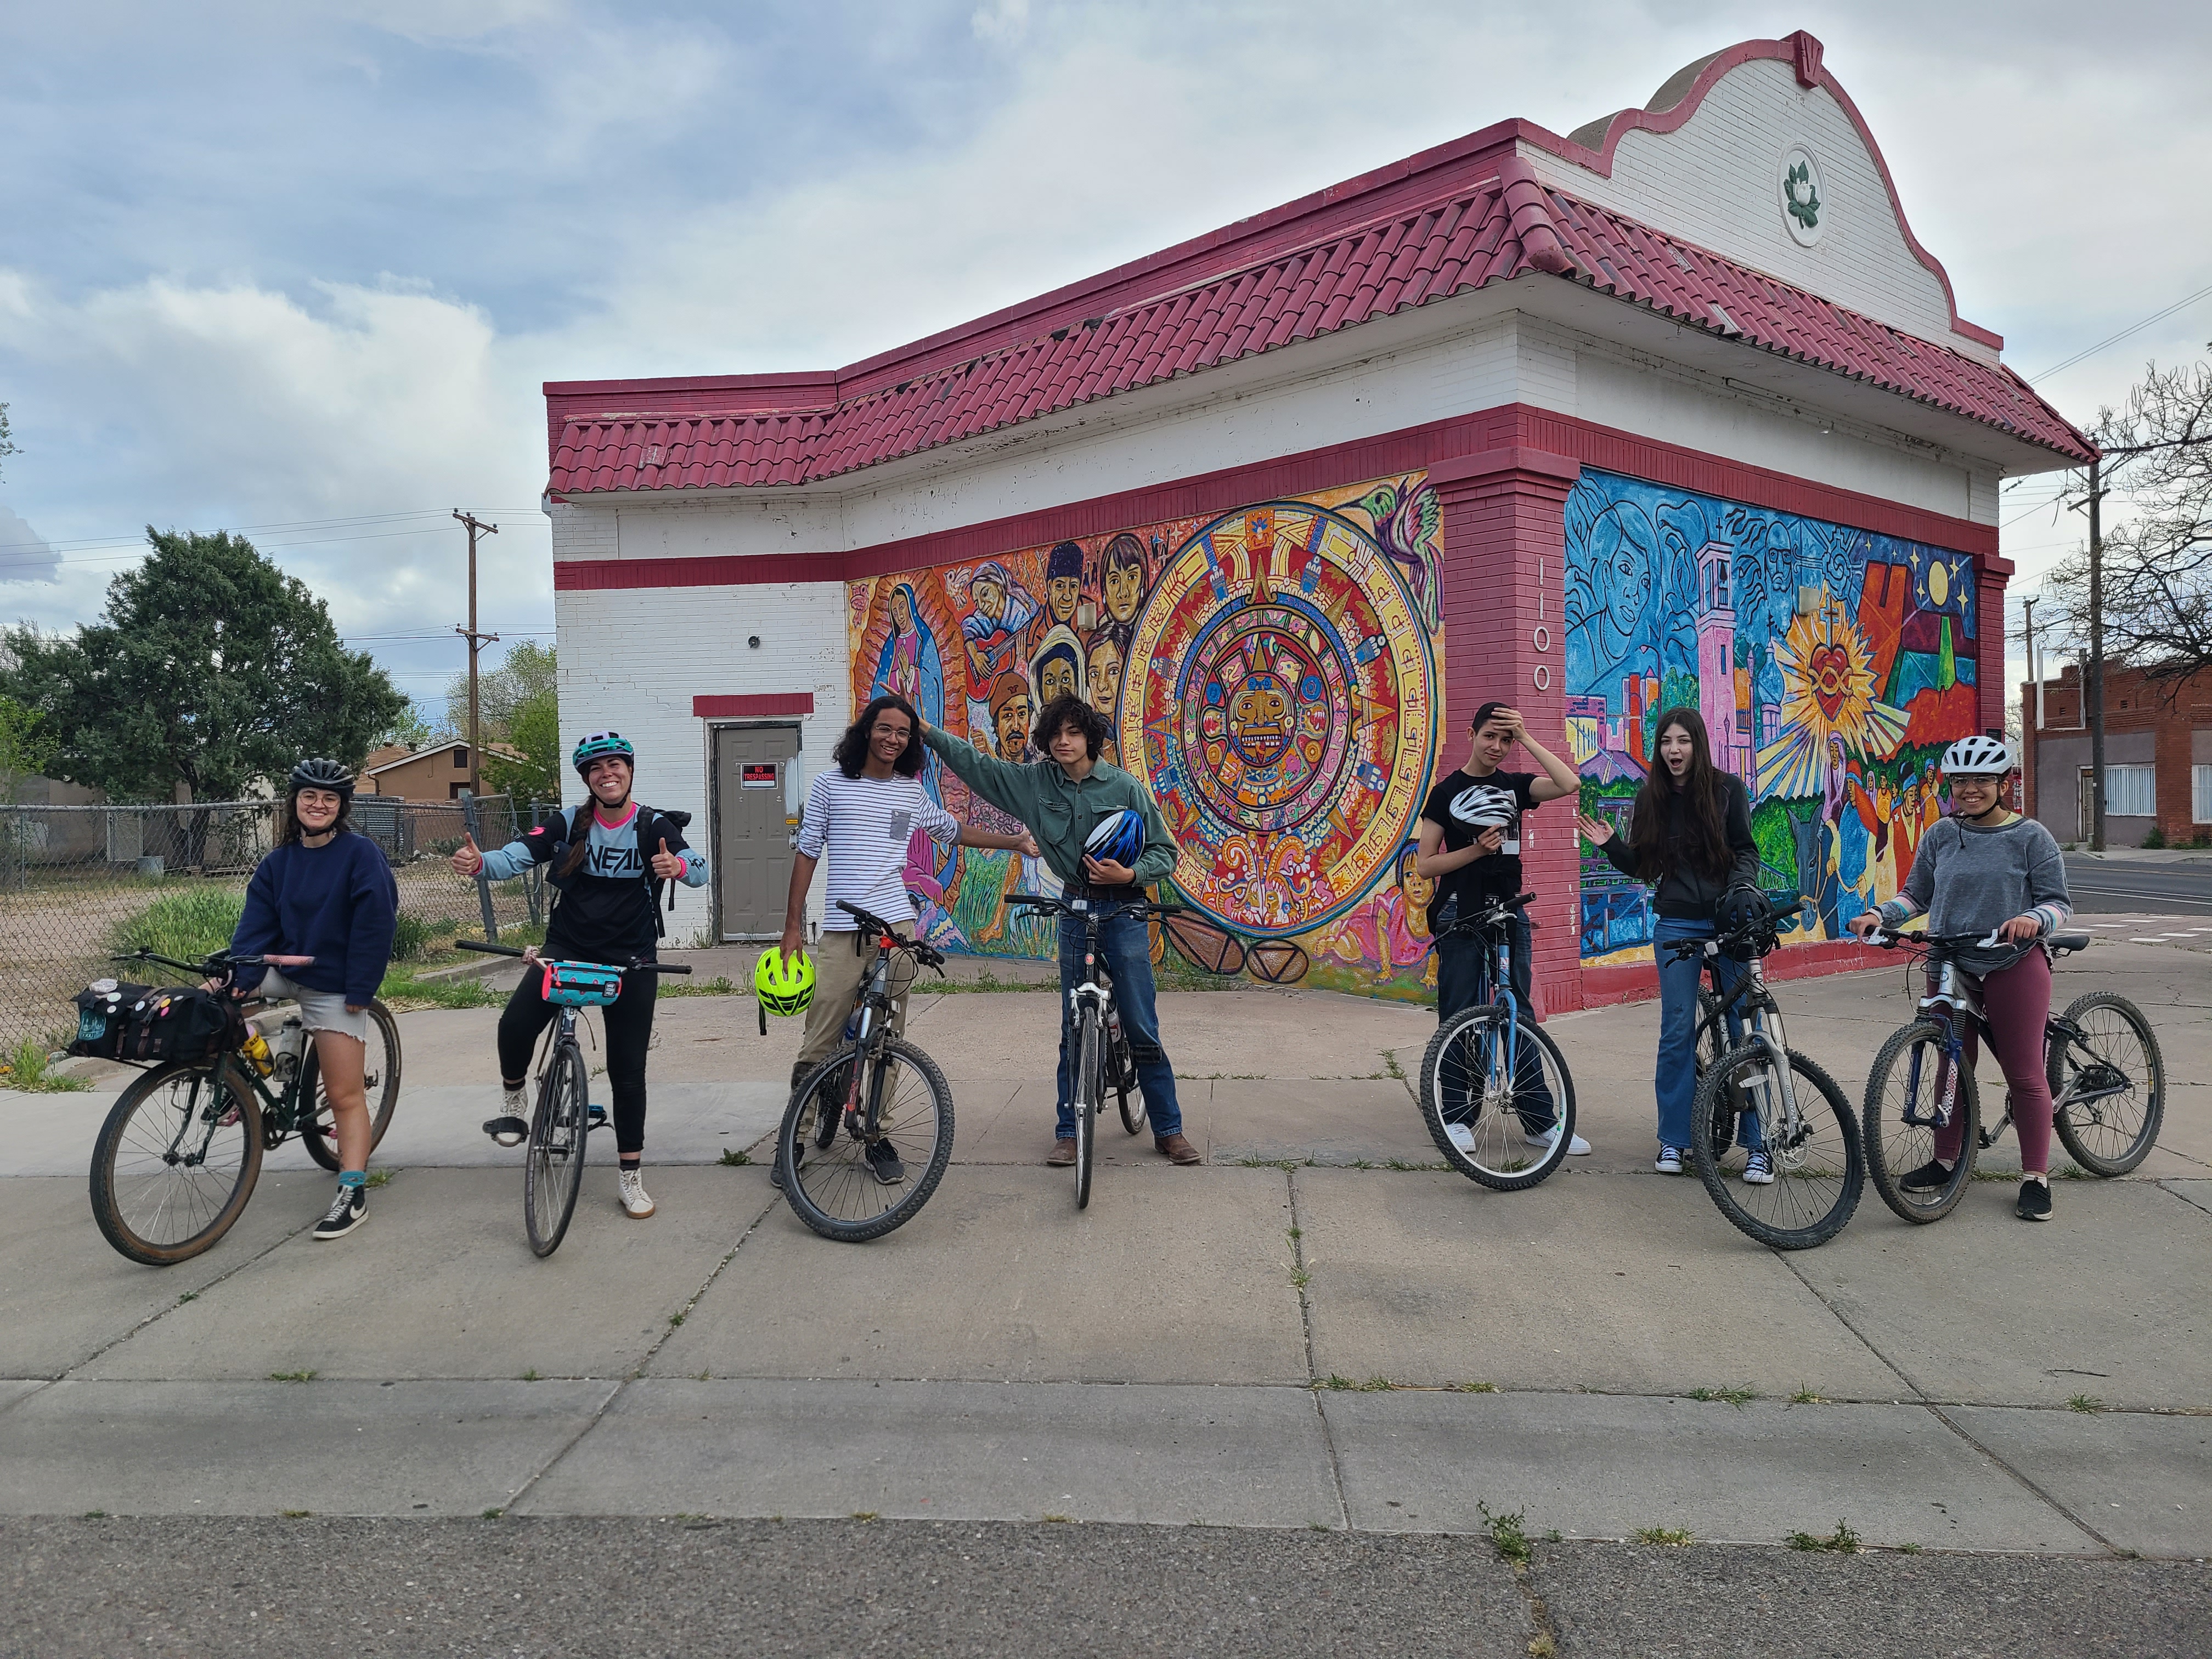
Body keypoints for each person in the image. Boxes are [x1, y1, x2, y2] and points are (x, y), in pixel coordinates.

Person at [919, 693, 1199, 1165]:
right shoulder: (1034, 783)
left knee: (1142, 1025)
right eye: (1055, 735)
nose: (1064, 741)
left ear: (1090, 737)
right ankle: (1069, 1131)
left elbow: (1165, 853)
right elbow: (979, 766)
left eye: (1073, 732)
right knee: (1073, 1026)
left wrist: (1128, 875)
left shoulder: (1124, 787)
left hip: (1125, 909)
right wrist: (926, 731)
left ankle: (1168, 1129)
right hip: (1075, 907)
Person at [775, 695, 1037, 1183]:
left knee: (888, 1039)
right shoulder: (832, 785)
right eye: (885, 729)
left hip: (896, 930)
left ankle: (875, 1134)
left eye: (903, 733)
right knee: (821, 1037)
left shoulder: (909, 792)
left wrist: (1015, 841)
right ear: (866, 731)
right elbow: (807, 854)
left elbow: (951, 831)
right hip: (842, 929)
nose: (893, 739)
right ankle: (794, 1135)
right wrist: (792, 926)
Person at [452, 731, 707, 1221]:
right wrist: (481, 862)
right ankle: (514, 1095)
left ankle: (630, 1177)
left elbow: (700, 869)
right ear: (587, 779)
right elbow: (516, 856)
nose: (607, 774)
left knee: (628, 1071)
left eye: (616, 765)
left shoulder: (652, 825)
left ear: (630, 772)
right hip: (567, 947)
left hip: (631, 958)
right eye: (597, 769)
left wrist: (676, 865)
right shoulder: (569, 822)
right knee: (515, 1025)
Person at [1848, 735, 2073, 1221]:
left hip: (2011, 961)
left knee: (2025, 1072)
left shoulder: (2031, 837)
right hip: (1949, 961)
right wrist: (1879, 914)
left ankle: (2036, 1176)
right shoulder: (1941, 835)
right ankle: (1947, 1159)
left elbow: (2059, 903)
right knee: (1951, 1064)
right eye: (1962, 781)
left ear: (2004, 784)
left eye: (1982, 780)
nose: (1970, 789)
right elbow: (1915, 895)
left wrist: (2034, 920)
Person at [1576, 708, 1763, 1178]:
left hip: (1728, 922)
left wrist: (1740, 888)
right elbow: (1646, 866)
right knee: (1677, 1031)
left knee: (1744, 1029)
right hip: (1677, 924)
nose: (1674, 750)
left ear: (1698, 745)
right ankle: (1674, 1141)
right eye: (1665, 742)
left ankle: (1759, 1144)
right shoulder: (1651, 797)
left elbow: (1745, 849)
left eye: (1682, 741)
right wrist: (1611, 845)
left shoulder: (1727, 791)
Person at [227, 758, 399, 1241]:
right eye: (309, 797)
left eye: (329, 799)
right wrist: (241, 975)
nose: (318, 805)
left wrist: (361, 990)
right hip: (287, 972)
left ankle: (352, 1191)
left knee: (345, 1095)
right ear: (295, 803)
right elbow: (255, 926)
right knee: (216, 997)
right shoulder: (277, 862)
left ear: (341, 807)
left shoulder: (361, 855)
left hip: (336, 983)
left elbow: (376, 925)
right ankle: (247, 1080)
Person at [1415, 702, 1591, 1156]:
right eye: (1490, 736)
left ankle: (1539, 1122)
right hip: (1460, 912)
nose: (1497, 747)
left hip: (1509, 911)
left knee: (1520, 1015)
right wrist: (1475, 851)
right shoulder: (1445, 792)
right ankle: (1456, 1116)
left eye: (1506, 740)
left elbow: (1570, 783)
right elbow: (1426, 865)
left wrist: (1529, 737)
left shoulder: (1515, 787)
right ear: (1471, 734)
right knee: (1458, 1013)